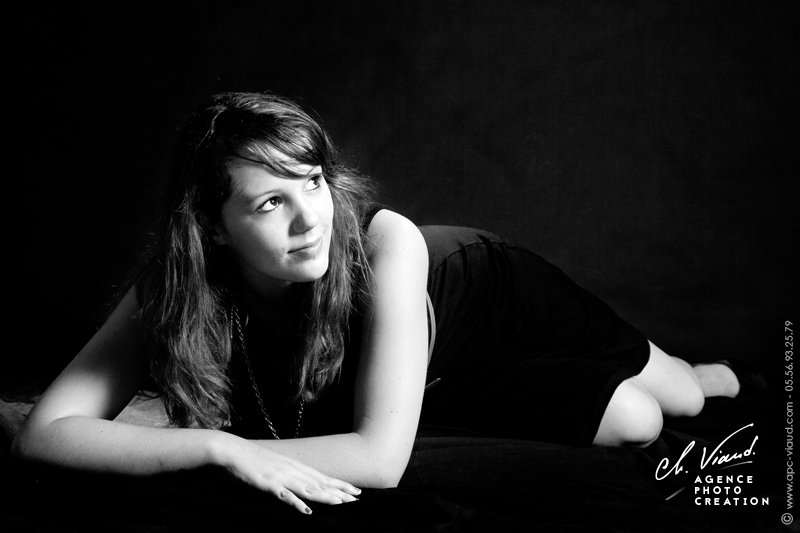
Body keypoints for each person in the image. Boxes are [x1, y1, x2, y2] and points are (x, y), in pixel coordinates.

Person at [11, 91, 743, 515]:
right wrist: (217, 446)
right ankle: (430, 391)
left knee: (676, 396)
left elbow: (379, 460)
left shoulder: (387, 241)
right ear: (211, 227)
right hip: (442, 366)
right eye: (270, 202)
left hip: (491, 298)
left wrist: (235, 449)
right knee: (633, 420)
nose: (311, 219)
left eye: (314, 183)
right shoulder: (175, 283)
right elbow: (45, 431)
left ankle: (702, 369)